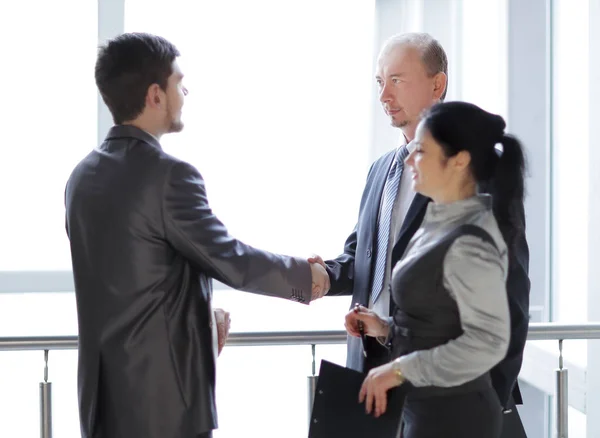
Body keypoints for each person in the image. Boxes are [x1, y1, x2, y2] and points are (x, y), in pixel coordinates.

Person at [64, 32, 329, 438]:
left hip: (102, 405)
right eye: (178, 83)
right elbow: (230, 259)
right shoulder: (169, 176)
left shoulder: (81, 177)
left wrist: (199, 321)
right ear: (156, 94)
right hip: (164, 408)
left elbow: (129, 280)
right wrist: (304, 281)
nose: (185, 92)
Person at [309, 32, 529, 436]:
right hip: (376, 367)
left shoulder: (479, 179)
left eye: (396, 79)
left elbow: (511, 295)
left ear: (437, 85)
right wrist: (325, 276)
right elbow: (365, 257)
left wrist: (490, 393)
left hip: (455, 388)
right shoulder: (382, 170)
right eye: (379, 82)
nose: (383, 95)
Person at [344, 101, 526, 437]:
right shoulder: (437, 225)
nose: (410, 159)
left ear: (459, 160)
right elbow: (437, 326)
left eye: (422, 152)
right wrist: (384, 328)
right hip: (425, 409)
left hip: (456, 416)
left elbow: (488, 342)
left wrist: (398, 370)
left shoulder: (470, 241)